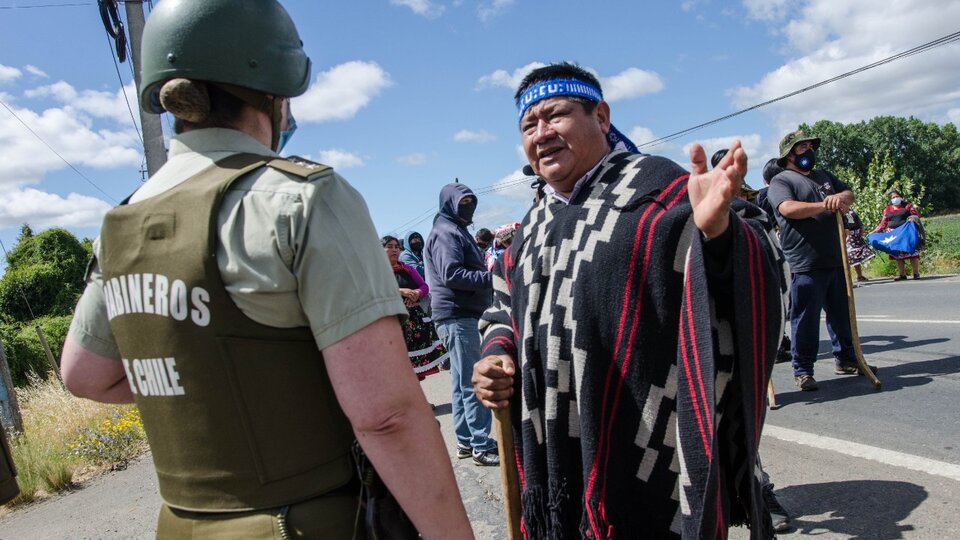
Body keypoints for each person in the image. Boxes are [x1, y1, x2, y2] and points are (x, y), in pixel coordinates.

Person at [57, 2, 472, 538]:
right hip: (305, 521)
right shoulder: (303, 197)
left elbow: (85, 374)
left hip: (179, 525)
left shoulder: (124, 220)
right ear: (272, 89)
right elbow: (385, 415)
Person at [472, 62, 782, 538]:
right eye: (528, 125)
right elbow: (502, 305)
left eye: (555, 115)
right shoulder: (529, 227)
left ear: (600, 116)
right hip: (553, 456)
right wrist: (496, 355)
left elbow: (757, 259)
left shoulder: (658, 187)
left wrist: (719, 234)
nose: (542, 133)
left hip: (642, 446)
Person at [767, 130, 869, 391]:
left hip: (835, 257)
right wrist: (825, 205)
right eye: (802, 147)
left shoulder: (823, 176)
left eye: (810, 146)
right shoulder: (782, 180)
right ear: (789, 154)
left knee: (841, 315)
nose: (809, 151)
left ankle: (846, 359)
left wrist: (839, 198)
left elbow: (847, 193)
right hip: (805, 262)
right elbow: (787, 208)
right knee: (805, 320)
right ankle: (803, 370)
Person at [424, 184, 498, 467]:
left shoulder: (454, 229)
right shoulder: (447, 232)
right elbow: (452, 274)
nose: (468, 207)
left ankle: (467, 441)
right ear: (449, 204)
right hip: (458, 315)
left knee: (459, 383)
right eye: (463, 202)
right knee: (472, 381)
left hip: (456, 316)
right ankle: (481, 444)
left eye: (471, 201)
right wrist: (492, 277)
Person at [382, 235, 449, 379]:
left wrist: (416, 294)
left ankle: (420, 400)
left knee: (415, 367)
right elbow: (376, 290)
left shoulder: (407, 268)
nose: (394, 250)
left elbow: (424, 286)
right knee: (398, 364)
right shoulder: (377, 272)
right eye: (389, 246)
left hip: (414, 321)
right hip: (393, 321)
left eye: (396, 247)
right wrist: (401, 292)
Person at [872, 191, 923, 280]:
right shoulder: (887, 209)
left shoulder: (908, 206)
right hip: (893, 235)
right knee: (898, 255)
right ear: (890, 199)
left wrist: (912, 218)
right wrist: (875, 231)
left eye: (897, 196)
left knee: (912, 254)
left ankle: (916, 273)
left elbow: (916, 215)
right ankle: (902, 274)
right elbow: (883, 223)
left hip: (906, 233)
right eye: (893, 197)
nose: (896, 198)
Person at [844, 210, 875, 282]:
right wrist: (847, 235)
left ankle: (859, 276)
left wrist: (861, 230)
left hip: (857, 235)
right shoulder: (839, 212)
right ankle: (846, 278)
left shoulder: (852, 211)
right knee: (850, 256)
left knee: (857, 256)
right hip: (848, 236)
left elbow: (859, 221)